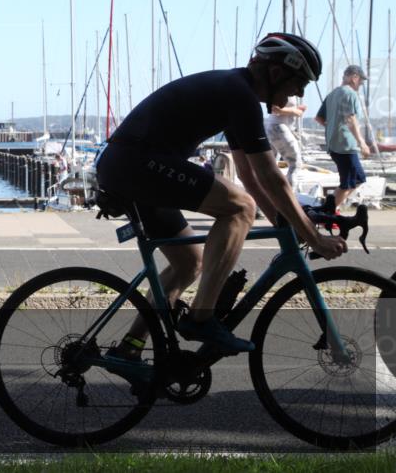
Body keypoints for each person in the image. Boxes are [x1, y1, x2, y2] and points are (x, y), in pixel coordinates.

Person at [96, 33, 347, 357]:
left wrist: (284, 225)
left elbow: (250, 175)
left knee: (190, 263)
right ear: (276, 73)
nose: (299, 92)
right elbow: (271, 176)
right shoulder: (238, 94)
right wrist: (313, 237)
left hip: (131, 165)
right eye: (300, 81)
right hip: (136, 165)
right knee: (240, 208)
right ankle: (202, 318)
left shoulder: (234, 92)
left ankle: (130, 347)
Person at [314, 64, 374, 210]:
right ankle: (327, 212)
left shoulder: (332, 94)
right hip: (345, 145)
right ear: (354, 77)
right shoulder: (350, 93)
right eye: (361, 80)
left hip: (334, 144)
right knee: (347, 184)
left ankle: (333, 207)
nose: (361, 84)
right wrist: (362, 143)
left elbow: (319, 118)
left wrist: (333, 127)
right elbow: (350, 119)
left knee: (358, 179)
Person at [264, 96, 306, 186]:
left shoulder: (289, 89)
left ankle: (272, 194)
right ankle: (291, 196)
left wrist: (296, 110)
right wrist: (295, 111)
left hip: (275, 128)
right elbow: (274, 109)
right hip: (278, 127)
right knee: (295, 165)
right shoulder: (282, 88)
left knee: (271, 165)